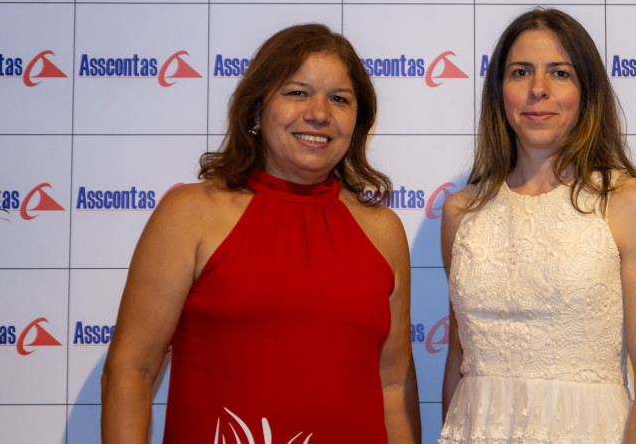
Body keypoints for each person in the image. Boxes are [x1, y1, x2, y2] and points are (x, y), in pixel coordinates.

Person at [101, 24, 421, 444]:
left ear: (357, 121)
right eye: (297, 92)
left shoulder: (383, 230)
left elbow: (394, 386)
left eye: (340, 99)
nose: (319, 113)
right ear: (256, 109)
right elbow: (131, 371)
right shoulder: (189, 214)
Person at [439, 8, 636, 444]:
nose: (538, 89)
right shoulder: (461, 212)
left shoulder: (632, 204)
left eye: (560, 73)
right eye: (521, 72)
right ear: (499, 92)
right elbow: (459, 361)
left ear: (587, 93)